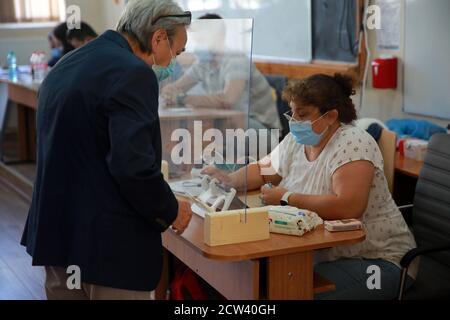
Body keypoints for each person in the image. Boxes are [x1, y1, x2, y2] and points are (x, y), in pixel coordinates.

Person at [21, 0, 193, 300]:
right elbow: (133, 167)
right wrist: (170, 209)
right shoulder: (133, 73)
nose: (171, 64)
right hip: (108, 248)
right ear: (158, 38)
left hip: (57, 237)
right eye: (175, 52)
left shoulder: (68, 63)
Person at [202, 73, 417, 300]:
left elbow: (348, 207)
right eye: (292, 112)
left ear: (331, 115)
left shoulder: (354, 143)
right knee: (253, 279)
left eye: (302, 114)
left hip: (380, 263)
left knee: (289, 290)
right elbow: (264, 169)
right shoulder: (298, 140)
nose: (294, 121)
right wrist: (231, 179)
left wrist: (287, 197)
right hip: (320, 254)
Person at [161, 13, 281, 132]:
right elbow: (176, 88)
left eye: (203, 38)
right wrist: (169, 91)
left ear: (219, 36)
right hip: (230, 122)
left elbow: (228, 100)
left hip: (261, 127)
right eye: (198, 39)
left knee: (206, 135)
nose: (198, 44)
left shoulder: (236, 60)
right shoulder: (204, 63)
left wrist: (182, 98)